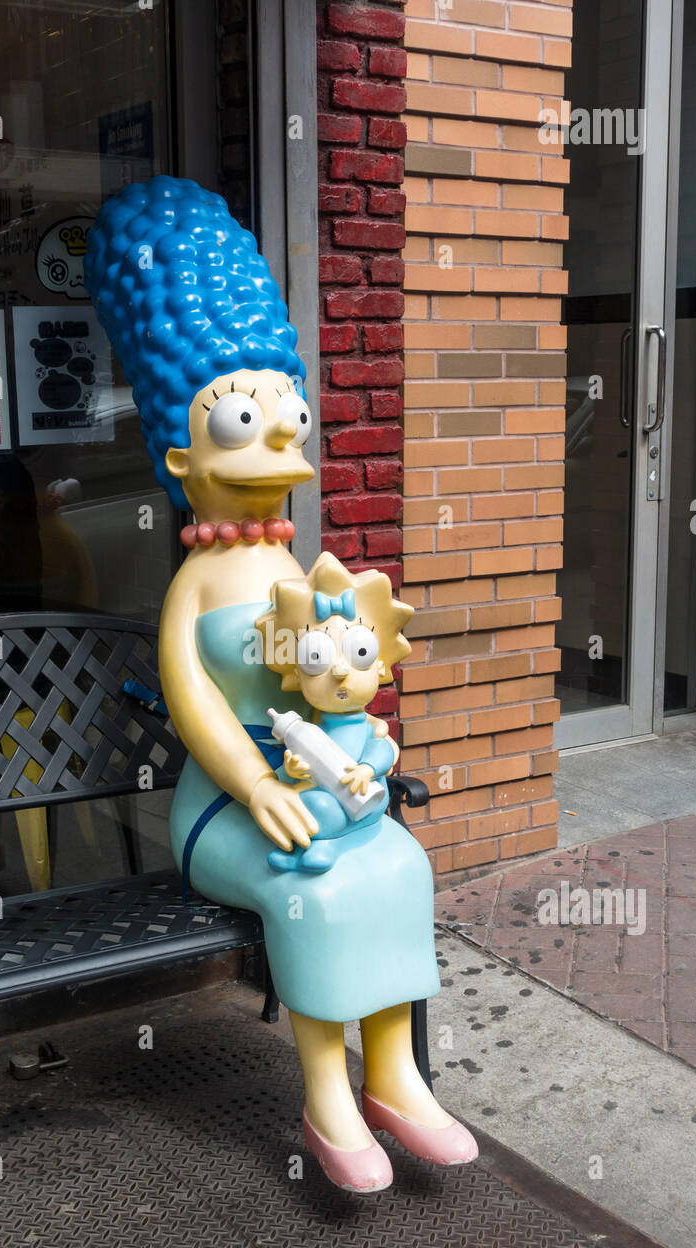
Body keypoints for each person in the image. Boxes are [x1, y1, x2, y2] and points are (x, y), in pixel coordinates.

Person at [85, 176, 477, 1193]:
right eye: (245, 418)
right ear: (182, 450)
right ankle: (325, 1093)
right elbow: (198, 701)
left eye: (287, 415)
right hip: (226, 807)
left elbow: (322, 676)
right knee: (314, 888)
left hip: (310, 788)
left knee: (394, 863)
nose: (280, 439)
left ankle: (392, 1073)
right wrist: (256, 787)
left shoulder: (298, 571)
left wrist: (352, 707)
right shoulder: (196, 584)